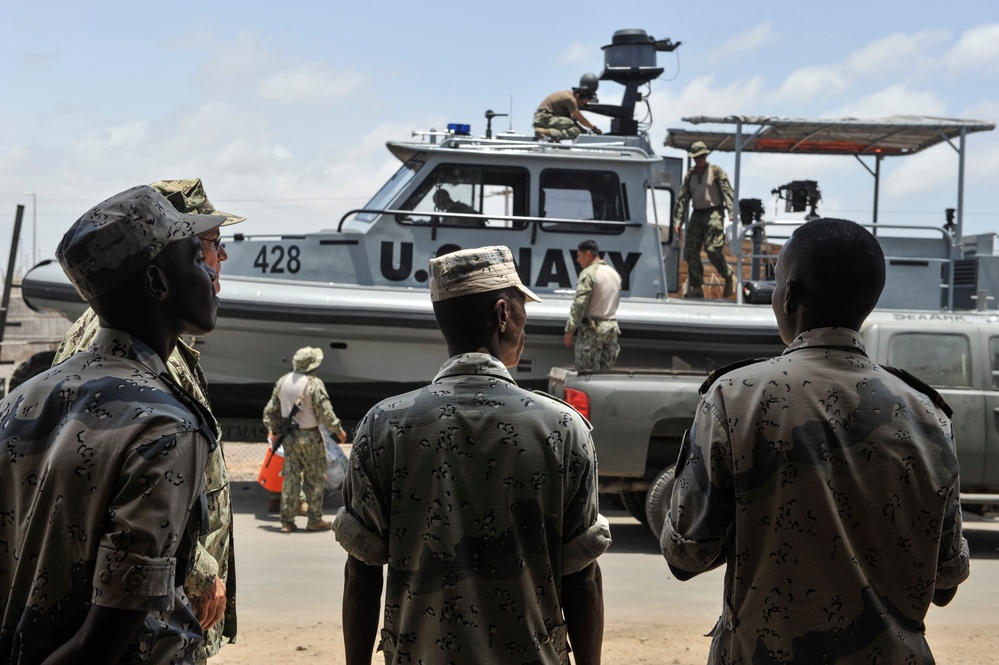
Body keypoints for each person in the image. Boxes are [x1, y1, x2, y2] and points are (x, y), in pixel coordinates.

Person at [661, 218, 970, 663]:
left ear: (789, 296)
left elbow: (684, 558)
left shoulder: (734, 398)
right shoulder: (929, 415)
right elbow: (944, 583)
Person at [333, 245, 611, 665]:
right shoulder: (562, 428)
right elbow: (582, 579)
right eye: (521, 309)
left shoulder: (382, 426)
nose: (525, 322)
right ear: (503, 315)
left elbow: (361, 573)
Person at [0, 184, 223, 663]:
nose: (211, 271)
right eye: (195, 257)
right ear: (158, 283)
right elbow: (106, 638)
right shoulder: (164, 425)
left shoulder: (20, 400)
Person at [263, 346, 348, 534]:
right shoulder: (314, 384)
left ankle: (286, 521)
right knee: (315, 479)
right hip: (310, 437)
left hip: (289, 438)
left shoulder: (283, 382)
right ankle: (314, 520)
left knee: (291, 479)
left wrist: (273, 430)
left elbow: (271, 411)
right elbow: (325, 412)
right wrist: (338, 430)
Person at [672, 141, 736, 299]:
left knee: (713, 249)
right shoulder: (690, 175)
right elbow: (683, 198)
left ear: (706, 156)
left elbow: (728, 191)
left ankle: (728, 276)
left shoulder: (716, 171)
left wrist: (731, 211)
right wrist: (678, 220)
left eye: (701, 156)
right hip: (697, 213)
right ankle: (697, 286)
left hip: (714, 212)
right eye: (696, 157)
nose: (699, 160)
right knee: (691, 250)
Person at [564, 239, 622, 371]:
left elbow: (580, 304)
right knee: (604, 374)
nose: (578, 260)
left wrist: (569, 331)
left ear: (588, 254)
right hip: (612, 328)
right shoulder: (614, 274)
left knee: (586, 373)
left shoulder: (589, 273)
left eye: (579, 256)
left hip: (593, 330)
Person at [533, 83, 603, 142]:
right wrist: (594, 128)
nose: (582, 105)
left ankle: (550, 135)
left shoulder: (570, 95)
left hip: (550, 117)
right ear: (578, 96)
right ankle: (543, 133)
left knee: (576, 129)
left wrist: (585, 133)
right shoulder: (570, 99)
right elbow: (580, 119)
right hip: (544, 119)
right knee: (571, 125)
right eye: (582, 103)